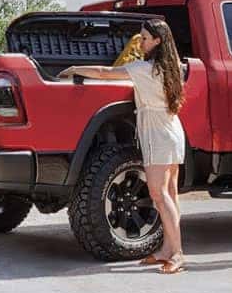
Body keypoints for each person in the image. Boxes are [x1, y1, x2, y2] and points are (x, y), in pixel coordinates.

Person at [57, 19, 187, 274]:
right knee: (169, 193)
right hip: (172, 130)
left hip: (158, 135)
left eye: (145, 38)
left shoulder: (143, 68)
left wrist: (74, 68)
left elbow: (105, 73)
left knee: (159, 194)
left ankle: (178, 253)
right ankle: (167, 249)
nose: (141, 42)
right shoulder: (172, 68)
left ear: (157, 41)